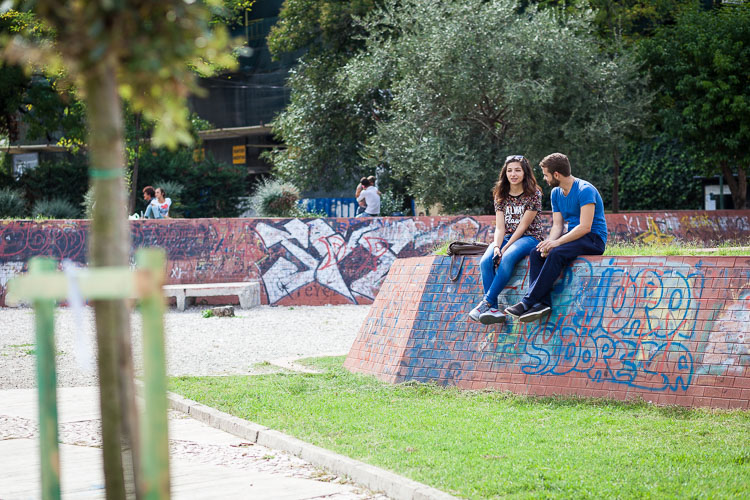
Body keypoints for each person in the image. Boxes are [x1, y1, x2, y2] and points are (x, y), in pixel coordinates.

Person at [505, 153, 607, 322]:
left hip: (593, 238)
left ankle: (527, 301)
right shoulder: (556, 193)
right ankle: (542, 303)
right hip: (574, 238)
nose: (544, 178)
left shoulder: (585, 190)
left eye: (546, 175)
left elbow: (585, 227)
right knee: (536, 252)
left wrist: (557, 243)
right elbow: (558, 226)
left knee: (556, 253)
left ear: (556, 175)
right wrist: (549, 243)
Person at [468, 155, 544, 325]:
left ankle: (486, 302)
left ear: (525, 172)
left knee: (507, 257)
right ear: (505, 173)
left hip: (529, 237)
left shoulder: (534, 193)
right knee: (485, 261)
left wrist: (505, 248)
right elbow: (500, 227)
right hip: (507, 236)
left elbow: (523, 227)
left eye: (517, 170)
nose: (513, 174)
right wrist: (496, 246)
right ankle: (493, 310)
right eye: (510, 170)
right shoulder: (500, 194)